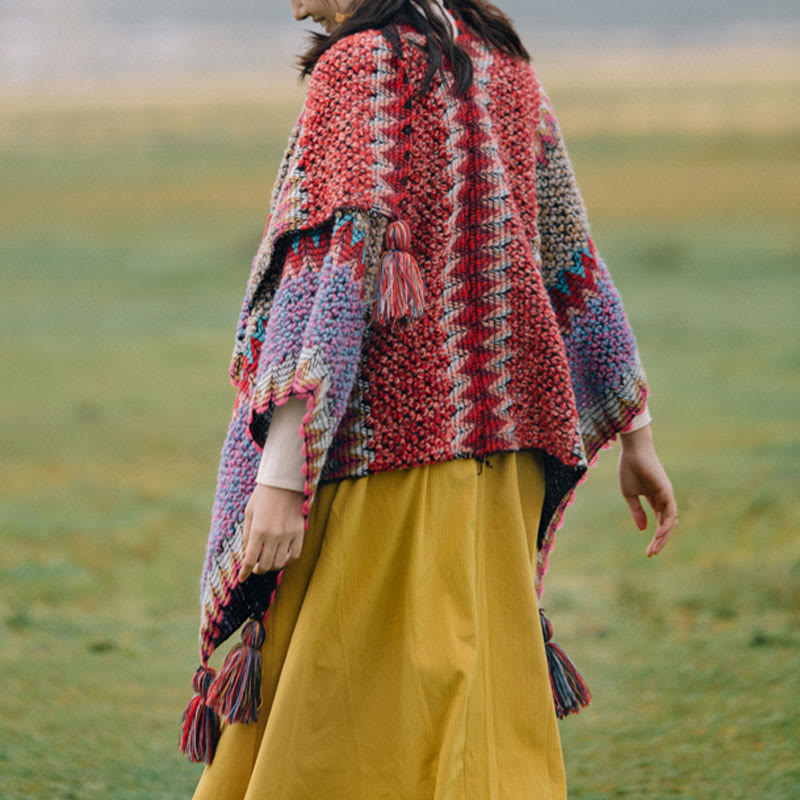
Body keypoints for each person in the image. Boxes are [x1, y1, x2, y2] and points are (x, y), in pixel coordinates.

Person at [181, 1, 679, 797]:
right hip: (505, 456)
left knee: (341, 721)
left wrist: (279, 471)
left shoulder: (359, 67)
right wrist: (637, 430)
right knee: (475, 719)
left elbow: (330, 278)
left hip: (388, 455)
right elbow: (571, 255)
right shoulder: (504, 63)